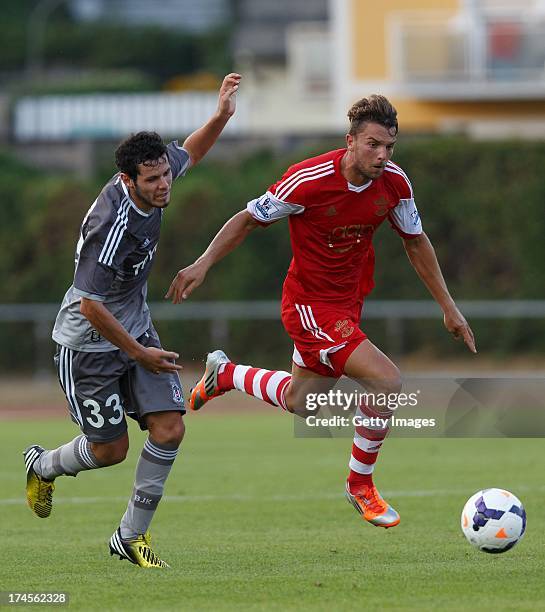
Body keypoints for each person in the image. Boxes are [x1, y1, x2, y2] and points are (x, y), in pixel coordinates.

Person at [166, 94, 476, 529]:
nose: (382, 155)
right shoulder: (307, 181)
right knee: (387, 381)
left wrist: (449, 307)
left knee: (302, 402)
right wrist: (202, 263)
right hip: (309, 306)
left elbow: (415, 241)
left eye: (390, 146)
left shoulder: (396, 184)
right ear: (350, 141)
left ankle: (226, 374)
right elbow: (248, 219)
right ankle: (360, 484)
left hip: (347, 305)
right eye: (373, 144)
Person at [23, 73, 242, 568]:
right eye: (153, 179)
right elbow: (89, 305)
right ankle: (43, 464)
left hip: (134, 327)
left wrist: (222, 116)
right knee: (110, 451)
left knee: (169, 429)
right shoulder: (111, 227)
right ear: (128, 180)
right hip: (88, 345)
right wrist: (139, 352)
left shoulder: (155, 176)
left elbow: (191, 150)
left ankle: (129, 536)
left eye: (165, 174)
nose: (165, 183)